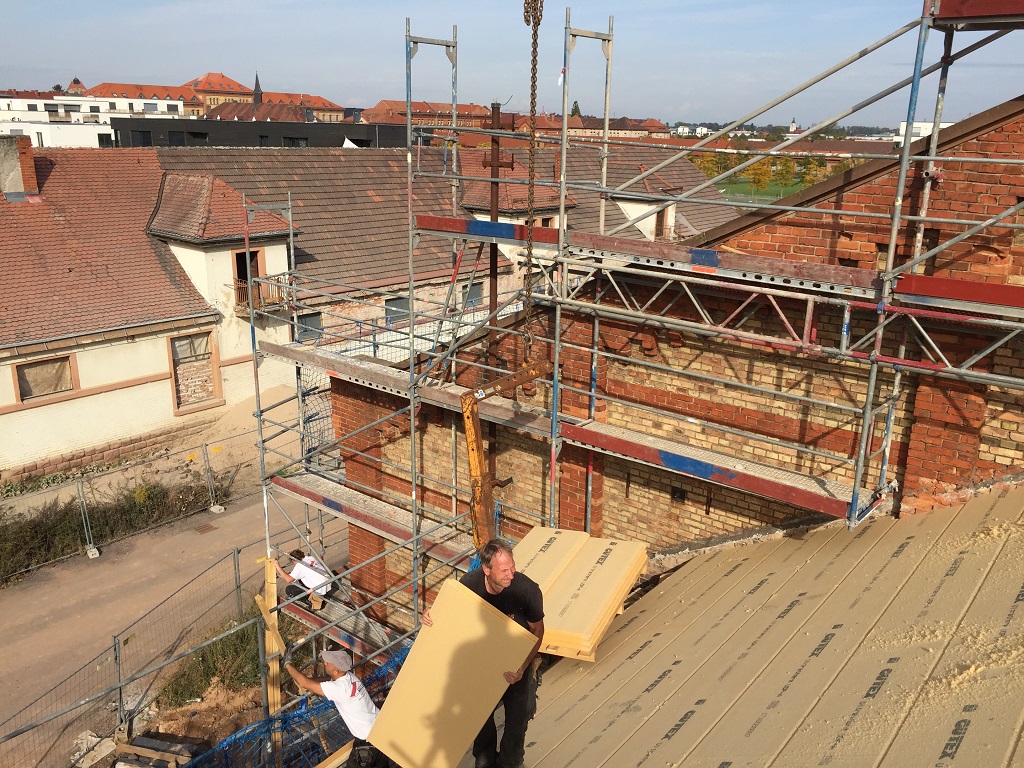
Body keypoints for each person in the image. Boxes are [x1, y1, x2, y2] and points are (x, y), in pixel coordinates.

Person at [421, 538, 545, 768]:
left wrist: (522, 666)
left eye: (512, 567)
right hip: (482, 663)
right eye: (504, 570)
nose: (511, 574)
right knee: (480, 718)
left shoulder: (527, 590)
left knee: (517, 722)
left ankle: (510, 762)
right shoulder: (469, 585)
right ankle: (485, 759)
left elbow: (537, 630)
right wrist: (431, 614)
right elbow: (451, 614)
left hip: (515, 664)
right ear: (487, 570)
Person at [283, 646, 394, 768]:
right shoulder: (349, 677)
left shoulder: (340, 689)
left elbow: (304, 683)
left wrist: (288, 664)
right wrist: (312, 681)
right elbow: (327, 679)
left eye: (328, 663)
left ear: (336, 671)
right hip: (379, 730)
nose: (324, 663)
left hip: (367, 741)